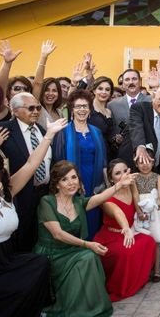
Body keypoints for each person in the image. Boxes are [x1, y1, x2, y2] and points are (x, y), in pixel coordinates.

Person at [0, 118, 67, 317]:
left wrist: (49, 134)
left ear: (0, 173)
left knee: (39, 263)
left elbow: (32, 164)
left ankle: (18, 314)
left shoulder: (7, 192)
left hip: (4, 262)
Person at [34, 160, 135, 317]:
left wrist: (119, 184)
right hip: (52, 253)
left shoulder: (79, 202)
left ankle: (89, 306)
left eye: (74, 177)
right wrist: (87, 244)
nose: (71, 183)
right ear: (57, 184)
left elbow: (101, 197)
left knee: (91, 257)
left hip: (72, 250)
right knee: (87, 255)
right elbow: (58, 234)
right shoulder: (47, 202)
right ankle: (69, 307)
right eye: (64, 179)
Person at [0, 92, 52, 252]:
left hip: (43, 193)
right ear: (15, 110)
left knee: (42, 236)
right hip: (18, 195)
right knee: (21, 240)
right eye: (30, 108)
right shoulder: (2, 131)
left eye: (38, 107)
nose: (36, 111)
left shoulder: (41, 130)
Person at [93, 159, 157, 300]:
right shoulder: (107, 196)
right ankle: (119, 287)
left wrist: (141, 212)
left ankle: (137, 281)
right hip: (111, 236)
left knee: (149, 241)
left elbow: (135, 199)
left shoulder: (131, 185)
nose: (123, 175)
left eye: (125, 171)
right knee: (126, 252)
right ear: (111, 178)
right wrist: (126, 229)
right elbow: (117, 212)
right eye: (117, 173)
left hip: (128, 233)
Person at [52, 89, 107, 239]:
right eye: (78, 106)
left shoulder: (96, 131)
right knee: (75, 217)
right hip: (71, 182)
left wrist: (106, 184)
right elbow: (59, 161)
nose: (81, 110)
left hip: (94, 182)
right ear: (72, 110)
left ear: (90, 110)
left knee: (93, 219)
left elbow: (103, 161)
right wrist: (72, 182)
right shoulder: (63, 132)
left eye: (85, 106)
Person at [132, 147, 160, 282]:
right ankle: (144, 269)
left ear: (153, 162)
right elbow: (135, 194)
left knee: (155, 241)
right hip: (142, 211)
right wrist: (139, 211)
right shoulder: (134, 178)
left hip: (155, 211)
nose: (145, 165)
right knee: (143, 240)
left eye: (148, 162)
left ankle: (157, 271)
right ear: (136, 163)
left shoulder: (157, 177)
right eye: (141, 162)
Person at [118, 86, 160, 175]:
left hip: (155, 169)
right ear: (153, 96)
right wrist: (140, 146)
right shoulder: (139, 108)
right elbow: (136, 128)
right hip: (133, 167)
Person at [90, 76, 115, 155]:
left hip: (107, 152)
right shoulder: (88, 109)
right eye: (100, 89)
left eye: (107, 89)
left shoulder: (109, 111)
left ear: (110, 93)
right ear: (94, 90)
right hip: (92, 151)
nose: (104, 92)